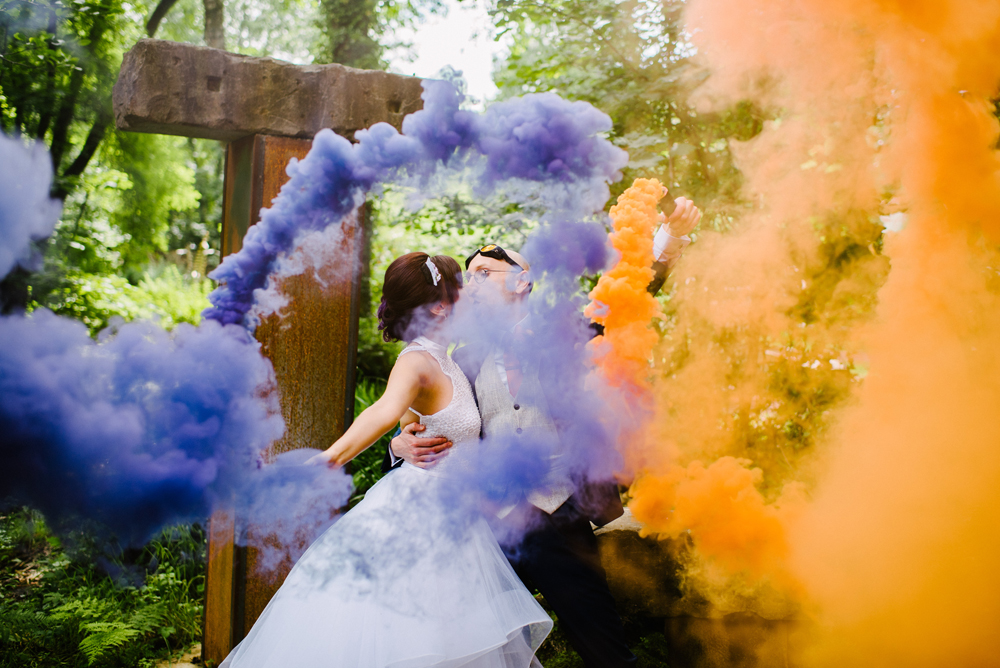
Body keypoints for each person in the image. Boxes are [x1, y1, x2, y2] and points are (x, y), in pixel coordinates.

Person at [389, 195, 702, 668]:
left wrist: (670, 237)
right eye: (468, 277)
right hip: (490, 528)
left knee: (606, 652)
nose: (472, 283)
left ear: (523, 280)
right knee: (468, 650)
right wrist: (400, 444)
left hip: (561, 516)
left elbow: (624, 294)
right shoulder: (460, 359)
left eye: (484, 272)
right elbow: (422, 416)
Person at [220, 252, 553, 668]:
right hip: (424, 514)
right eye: (461, 283)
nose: (471, 290)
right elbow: (383, 410)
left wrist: (402, 443)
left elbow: (413, 422)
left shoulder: (446, 358)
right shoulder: (416, 361)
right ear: (440, 305)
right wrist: (331, 458)